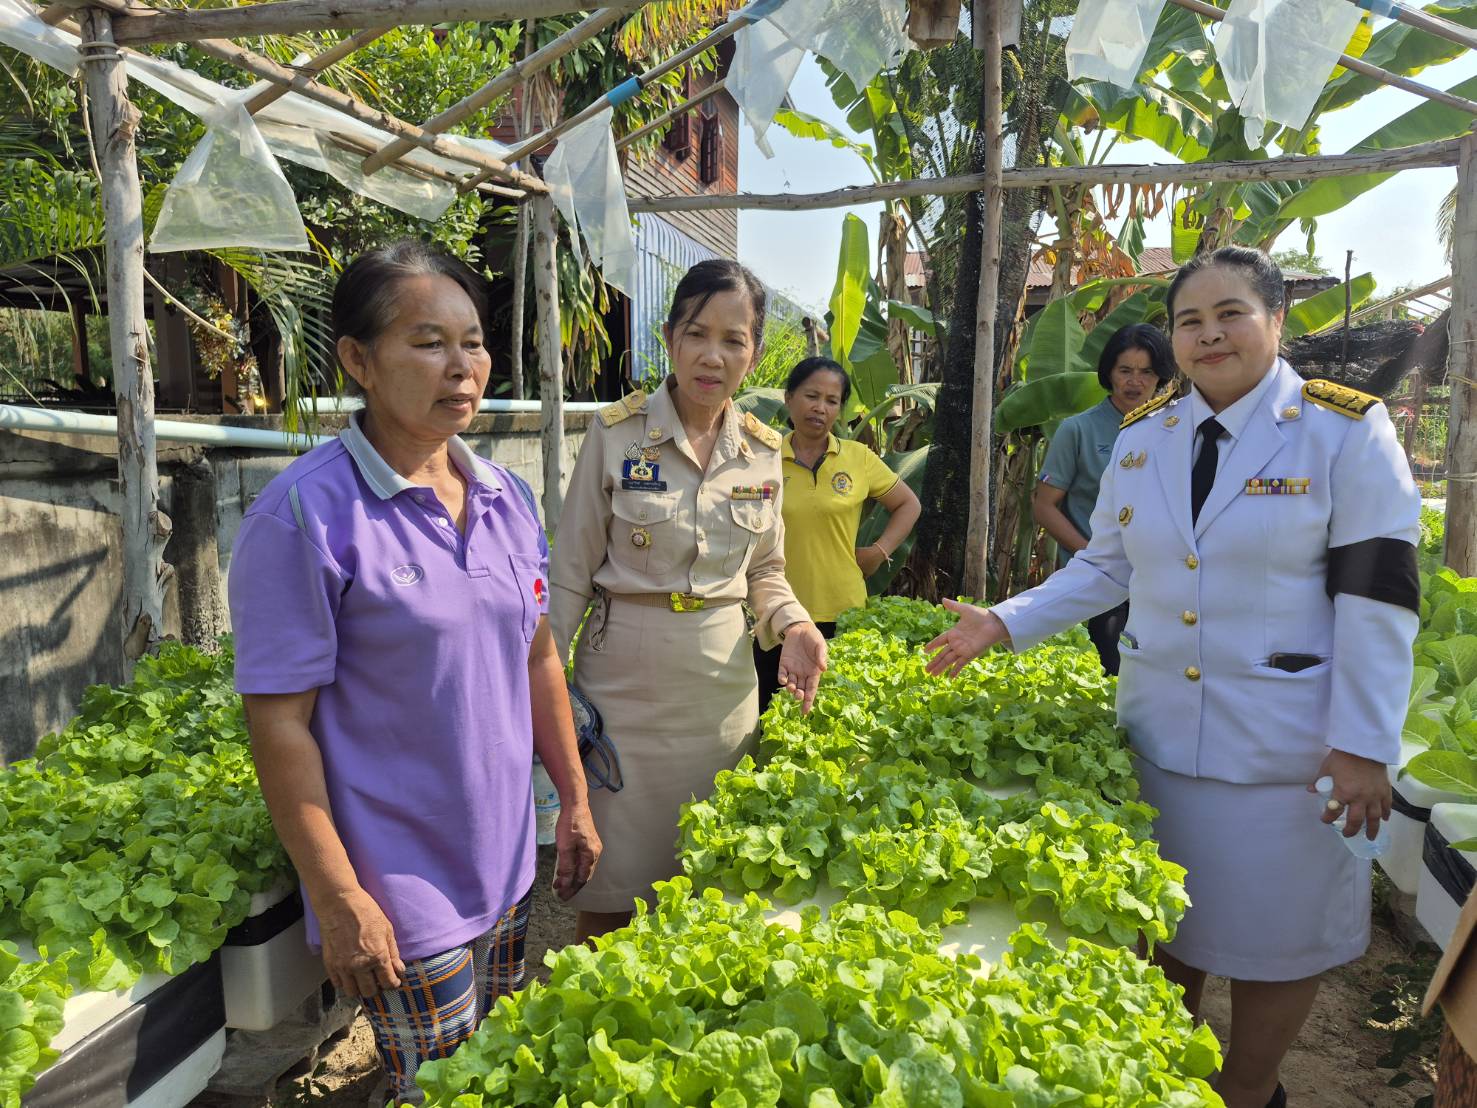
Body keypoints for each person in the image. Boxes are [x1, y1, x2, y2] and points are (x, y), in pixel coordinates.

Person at [923, 246, 1419, 1108]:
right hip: (1161, 743)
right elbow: (1105, 569)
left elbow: (1377, 599)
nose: (1208, 334)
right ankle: (1169, 1080)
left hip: (1286, 753)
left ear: (1276, 322)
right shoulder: (1145, 434)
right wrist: (1005, 620)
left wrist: (1363, 744)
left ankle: (1250, 1091)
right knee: (1169, 933)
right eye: (1190, 319)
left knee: (1278, 940)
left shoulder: (1343, 429)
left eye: (1230, 313)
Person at [227, 241, 600, 1103]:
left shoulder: (508, 497)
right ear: (358, 360)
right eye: (428, 342)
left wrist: (573, 800)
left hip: (505, 860)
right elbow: (279, 724)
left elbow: (538, 654)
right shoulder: (304, 516)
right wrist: (339, 896)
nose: (461, 366)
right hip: (398, 882)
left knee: (499, 1065)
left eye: (472, 342)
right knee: (443, 1087)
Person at [550, 259, 829, 943]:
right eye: (697, 333)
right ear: (670, 337)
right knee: (610, 888)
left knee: (710, 877)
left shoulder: (763, 453)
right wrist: (542, 694)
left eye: (733, 340)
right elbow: (568, 574)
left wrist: (792, 623)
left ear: (754, 354)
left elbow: (765, 570)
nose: (713, 355)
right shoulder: (614, 434)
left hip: (719, 693)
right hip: (623, 692)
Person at [752, 356, 920, 710]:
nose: (820, 408)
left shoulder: (858, 457)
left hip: (842, 613)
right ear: (789, 398)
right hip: (774, 615)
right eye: (811, 396)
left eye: (832, 401)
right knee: (767, 716)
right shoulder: (760, 457)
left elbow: (908, 505)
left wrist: (879, 551)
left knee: (834, 716)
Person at [1032, 323, 1175, 674]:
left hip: (1161, 585)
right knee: (1112, 676)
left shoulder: (1177, 430)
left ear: (1161, 377)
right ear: (1109, 372)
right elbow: (1044, 506)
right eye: (1125, 370)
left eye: (1146, 372)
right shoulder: (1078, 429)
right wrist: (1092, 557)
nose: (1135, 381)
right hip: (1099, 586)